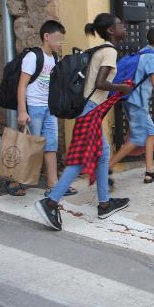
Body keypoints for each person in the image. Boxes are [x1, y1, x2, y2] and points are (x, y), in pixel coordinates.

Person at [35, 13, 132, 230]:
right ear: (110, 30)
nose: (124, 27)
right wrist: (122, 88)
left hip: (90, 110)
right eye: (120, 24)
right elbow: (100, 83)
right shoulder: (109, 51)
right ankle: (50, 202)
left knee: (102, 154)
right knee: (79, 160)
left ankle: (105, 203)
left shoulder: (101, 50)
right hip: (90, 111)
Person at [10, 20, 69, 197]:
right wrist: (22, 110)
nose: (61, 43)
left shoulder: (55, 58)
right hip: (33, 107)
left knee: (51, 145)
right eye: (58, 39)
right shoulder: (33, 57)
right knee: (30, 146)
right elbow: (22, 85)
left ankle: (53, 184)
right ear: (47, 37)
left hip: (49, 108)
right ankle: (14, 180)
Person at [109, 25, 154, 184]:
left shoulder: (142, 52)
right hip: (137, 104)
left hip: (131, 102)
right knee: (137, 139)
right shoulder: (151, 57)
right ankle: (107, 167)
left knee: (150, 134)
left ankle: (149, 172)